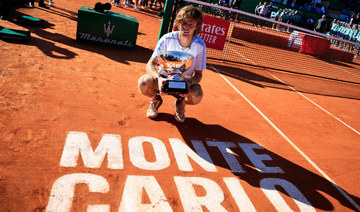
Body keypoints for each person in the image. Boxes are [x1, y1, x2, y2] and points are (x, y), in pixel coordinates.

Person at [138, 5, 206, 123]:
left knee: (197, 95)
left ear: (196, 26)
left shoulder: (200, 46)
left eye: (191, 25)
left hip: (184, 85)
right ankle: (156, 99)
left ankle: (180, 103)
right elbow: (150, 64)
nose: (186, 27)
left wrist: (189, 83)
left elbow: (199, 74)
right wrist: (159, 78)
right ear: (179, 22)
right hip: (163, 81)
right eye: (184, 23)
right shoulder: (167, 39)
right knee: (143, 83)